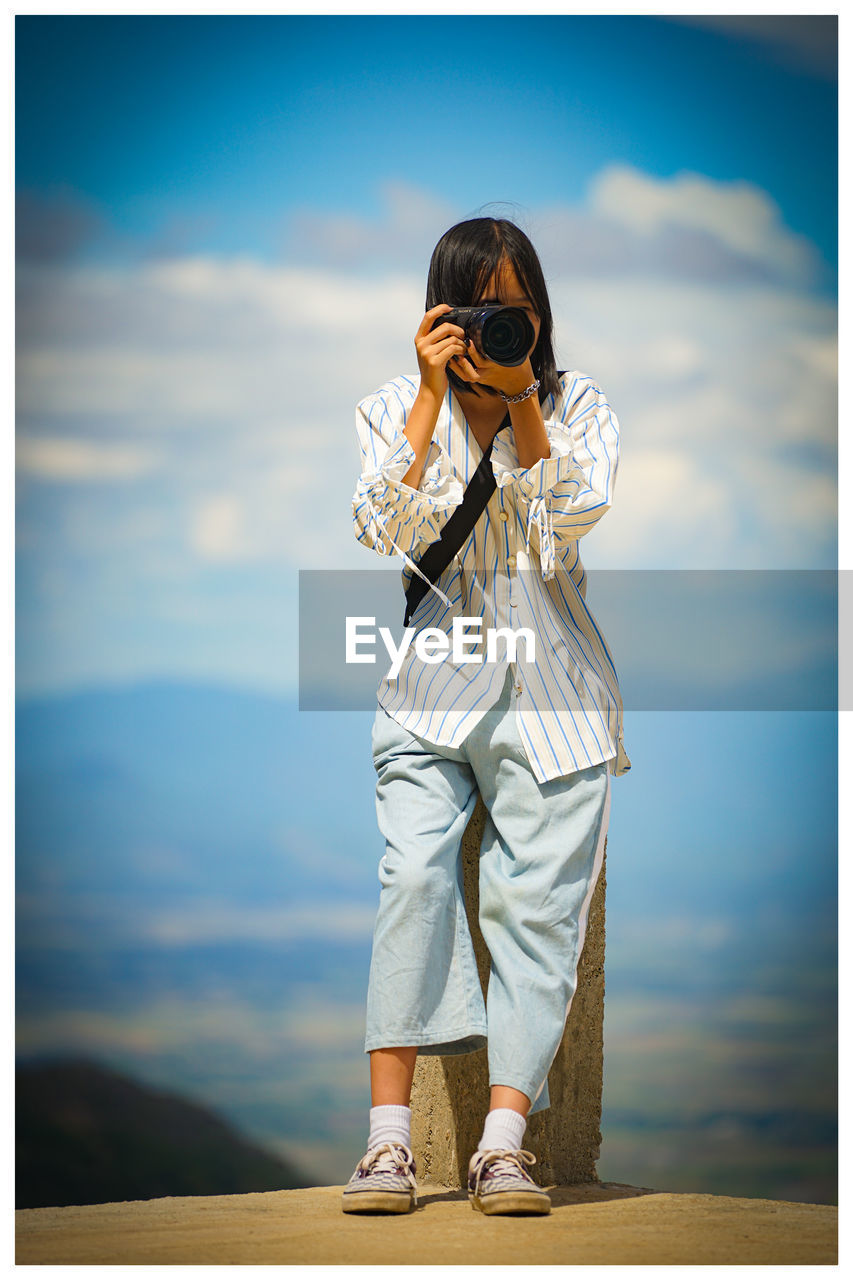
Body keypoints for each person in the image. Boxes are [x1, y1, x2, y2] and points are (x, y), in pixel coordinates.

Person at [343, 217, 630, 1217]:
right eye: (478, 310)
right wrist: (432, 398)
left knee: (537, 911)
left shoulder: (577, 403)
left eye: (515, 310)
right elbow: (383, 526)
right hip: (426, 689)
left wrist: (520, 410)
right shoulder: (391, 405)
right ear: (441, 314)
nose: (499, 327)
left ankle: (503, 1142)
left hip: (552, 697)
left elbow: (568, 527)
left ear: (538, 312)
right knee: (414, 877)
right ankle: (386, 1143)